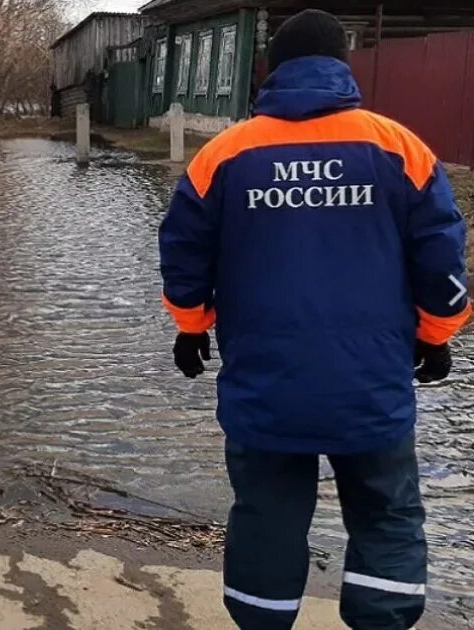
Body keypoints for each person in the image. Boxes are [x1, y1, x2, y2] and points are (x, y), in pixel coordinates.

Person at [159, 9, 469, 630]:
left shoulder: (223, 153)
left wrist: (191, 326)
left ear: (271, 68)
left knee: (267, 513)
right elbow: (442, 257)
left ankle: (262, 622)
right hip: (371, 381)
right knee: (385, 512)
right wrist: (437, 336)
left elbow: (182, 253)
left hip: (264, 383)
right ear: (343, 66)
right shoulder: (398, 147)